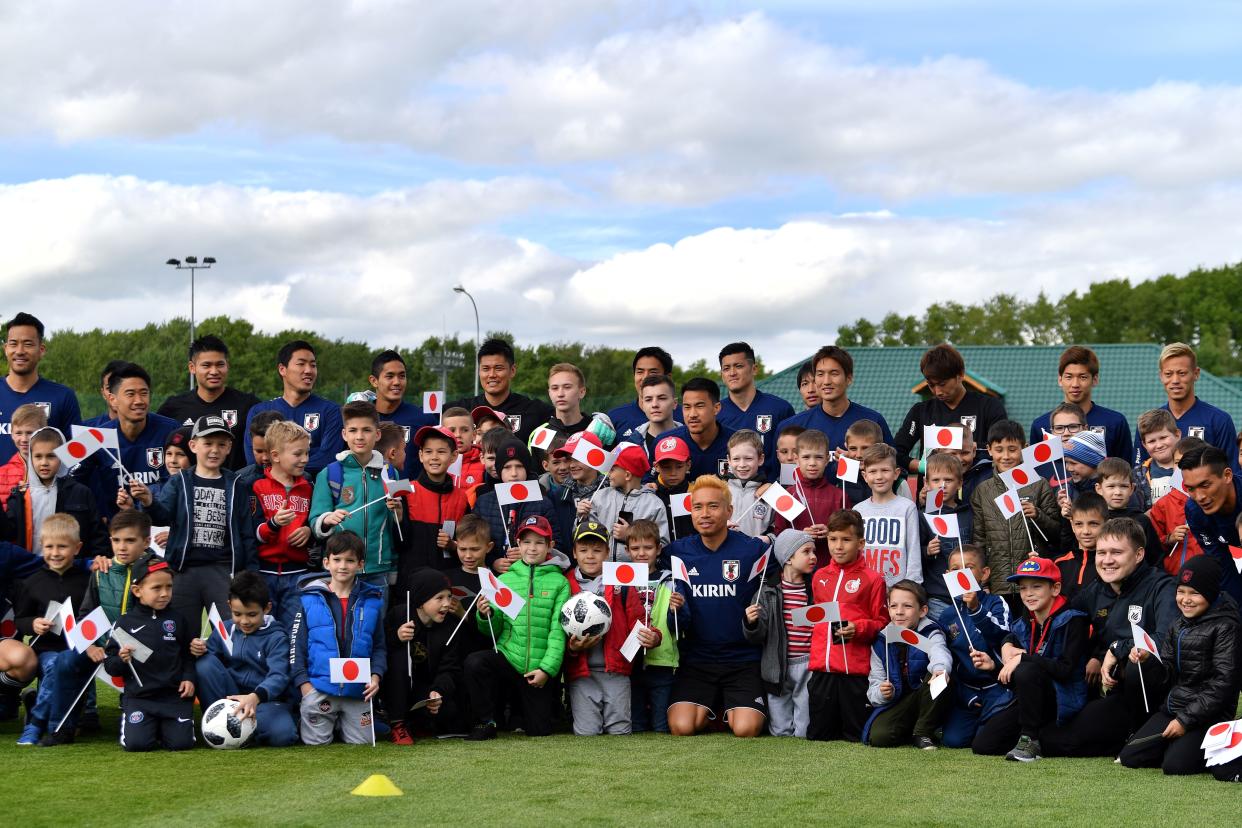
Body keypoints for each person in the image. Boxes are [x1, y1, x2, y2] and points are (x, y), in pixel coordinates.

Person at [1039, 518, 1176, 757]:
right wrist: (1009, 641)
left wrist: (1117, 649)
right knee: (1054, 740)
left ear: (1139, 554)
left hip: (1159, 694)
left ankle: (1138, 733)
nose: (1107, 560)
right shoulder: (1095, 591)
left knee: (1139, 661)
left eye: (1117, 552)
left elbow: (1164, 641)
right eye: (1101, 552)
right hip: (1114, 690)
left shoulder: (1162, 586)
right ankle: (1120, 739)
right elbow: (1060, 618)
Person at [666, 476, 769, 738]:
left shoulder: (753, 550)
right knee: (681, 727)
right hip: (697, 659)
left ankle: (731, 709)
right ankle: (716, 708)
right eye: (697, 507)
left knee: (746, 729)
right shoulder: (678, 551)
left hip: (742, 660)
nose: (704, 514)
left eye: (713, 506)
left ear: (729, 511)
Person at [128, 415, 258, 624]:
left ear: (229, 448)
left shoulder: (236, 484)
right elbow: (162, 516)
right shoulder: (179, 481)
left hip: (223, 569)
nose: (214, 450)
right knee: (180, 629)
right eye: (208, 443)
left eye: (221, 444)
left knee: (229, 630)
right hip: (183, 569)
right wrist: (149, 500)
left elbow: (246, 533)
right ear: (193, 445)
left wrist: (251, 574)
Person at [1119, 555, 1239, 776]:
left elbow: (1223, 685)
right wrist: (1148, 661)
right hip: (1174, 707)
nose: (1185, 599)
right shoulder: (1177, 624)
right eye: (1181, 591)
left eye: (1194, 592)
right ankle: (1182, 746)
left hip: (1210, 715)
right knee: (1130, 757)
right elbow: (1167, 673)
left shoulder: (1226, 626)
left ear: (1211, 593)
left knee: (1175, 765)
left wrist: (1184, 721)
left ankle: (1214, 745)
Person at [40, 510, 150, 745]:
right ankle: (61, 728)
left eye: (130, 541)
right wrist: (89, 645)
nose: (122, 547)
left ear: (146, 542)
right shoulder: (102, 572)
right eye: (116, 540)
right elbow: (85, 615)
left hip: (140, 652)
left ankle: (143, 716)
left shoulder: (157, 573)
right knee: (65, 661)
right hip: (101, 648)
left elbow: (160, 619)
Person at [969, 557, 1089, 761]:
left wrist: (1024, 658)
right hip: (1029, 701)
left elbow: (1064, 670)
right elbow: (1016, 680)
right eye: (1023, 588)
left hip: (1062, 699)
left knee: (1026, 669)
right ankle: (1035, 736)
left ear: (1055, 588)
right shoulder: (1025, 622)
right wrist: (994, 666)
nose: (1029, 593)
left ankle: (1030, 740)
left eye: (1036, 586)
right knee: (983, 744)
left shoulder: (1074, 619)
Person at [464, 515, 570, 740]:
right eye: (527, 542)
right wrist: (486, 615)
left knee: (539, 731)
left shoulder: (560, 583)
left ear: (550, 546)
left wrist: (546, 670)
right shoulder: (504, 579)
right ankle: (487, 721)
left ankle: (534, 711)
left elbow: (557, 631)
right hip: (509, 657)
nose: (532, 548)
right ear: (518, 545)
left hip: (538, 668)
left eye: (539, 542)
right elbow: (494, 630)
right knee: (476, 662)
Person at [291, 531, 385, 746]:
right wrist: (305, 686)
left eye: (350, 560)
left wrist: (375, 677)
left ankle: (355, 722)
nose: (343, 566)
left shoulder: (373, 601)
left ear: (360, 564)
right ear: (326, 562)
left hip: (357, 690)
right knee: (316, 746)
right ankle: (316, 718)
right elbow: (296, 647)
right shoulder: (308, 599)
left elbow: (379, 646)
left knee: (361, 744)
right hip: (319, 688)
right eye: (337, 559)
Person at [191, 570, 298, 747]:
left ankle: (243, 729)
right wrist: (198, 649)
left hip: (263, 701)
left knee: (283, 735)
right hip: (230, 696)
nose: (244, 621)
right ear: (229, 606)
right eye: (237, 614)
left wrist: (255, 697)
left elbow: (279, 676)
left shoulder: (277, 637)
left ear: (267, 608)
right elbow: (211, 663)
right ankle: (218, 723)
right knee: (204, 664)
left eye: (252, 614)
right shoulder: (224, 630)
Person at [806, 509, 887, 742]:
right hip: (822, 668)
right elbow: (816, 617)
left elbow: (882, 622)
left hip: (855, 671)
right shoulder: (819, 576)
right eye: (833, 539)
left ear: (860, 543)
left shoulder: (873, 579)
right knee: (819, 736)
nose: (838, 546)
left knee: (856, 737)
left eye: (846, 540)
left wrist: (858, 628)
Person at [104, 556, 197, 752]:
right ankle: (148, 727)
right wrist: (122, 659)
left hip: (174, 697)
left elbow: (188, 655)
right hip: (140, 698)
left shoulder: (178, 619)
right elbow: (110, 666)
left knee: (181, 744)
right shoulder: (124, 623)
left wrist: (189, 678)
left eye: (169, 587)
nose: (164, 594)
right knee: (137, 744)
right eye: (157, 588)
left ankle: (164, 728)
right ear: (137, 591)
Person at [563, 520, 647, 736]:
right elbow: (555, 628)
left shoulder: (621, 582)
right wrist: (571, 649)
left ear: (608, 552)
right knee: (586, 733)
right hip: (581, 673)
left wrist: (652, 636)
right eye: (583, 550)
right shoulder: (565, 584)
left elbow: (640, 621)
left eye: (597, 550)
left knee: (619, 730)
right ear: (574, 552)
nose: (590, 555)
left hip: (616, 671)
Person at [12, 514, 89, 745]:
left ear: (77, 548)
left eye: (62, 547)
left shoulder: (88, 580)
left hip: (80, 649)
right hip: (47, 649)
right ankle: (35, 725)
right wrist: (33, 623)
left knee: (69, 670)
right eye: (49, 546)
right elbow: (21, 619)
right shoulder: (32, 582)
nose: (55, 553)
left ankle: (55, 720)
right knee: (55, 666)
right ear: (41, 546)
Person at [310, 401, 403, 590]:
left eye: (366, 430)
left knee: (374, 620)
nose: (359, 436)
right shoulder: (329, 474)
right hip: (341, 571)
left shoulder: (391, 474)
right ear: (344, 434)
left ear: (377, 434)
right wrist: (328, 519)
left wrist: (398, 514)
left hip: (379, 570)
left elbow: (397, 527)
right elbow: (315, 522)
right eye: (353, 430)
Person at [71, 362, 179, 522]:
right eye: (130, 394)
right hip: (115, 532)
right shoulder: (93, 437)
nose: (139, 401)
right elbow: (66, 478)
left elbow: (183, 483)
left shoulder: (172, 430)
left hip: (162, 529)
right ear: (112, 399)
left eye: (144, 393)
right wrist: (93, 518)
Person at [970, 420, 1060, 602]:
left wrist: (1038, 515)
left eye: (1012, 449)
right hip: (997, 581)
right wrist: (983, 582)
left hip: (1032, 579)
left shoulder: (1039, 484)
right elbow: (979, 540)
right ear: (989, 450)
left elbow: (1057, 533)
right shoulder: (983, 490)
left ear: (1024, 448)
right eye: (999, 449)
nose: (1006, 456)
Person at [936, 546, 1013, 749]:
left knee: (987, 739)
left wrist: (976, 609)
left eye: (968, 568)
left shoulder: (997, 603)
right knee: (953, 741)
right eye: (955, 569)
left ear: (984, 573)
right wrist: (966, 696)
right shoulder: (947, 616)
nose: (961, 574)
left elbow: (1003, 634)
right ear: (947, 576)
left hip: (998, 688)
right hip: (968, 692)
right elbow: (949, 661)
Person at [743, 528, 816, 737]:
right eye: (806, 552)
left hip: (809, 662)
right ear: (789, 558)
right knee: (780, 729)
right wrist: (751, 622)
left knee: (804, 729)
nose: (813, 557)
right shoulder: (766, 592)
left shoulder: (814, 589)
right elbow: (757, 636)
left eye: (814, 551)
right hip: (776, 664)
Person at [863, 580, 952, 749]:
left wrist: (940, 669)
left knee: (940, 678)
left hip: (928, 695)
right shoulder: (882, 640)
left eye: (908, 606)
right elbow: (873, 688)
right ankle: (914, 729)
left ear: (923, 611)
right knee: (880, 737)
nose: (899, 612)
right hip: (901, 703)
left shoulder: (930, 632)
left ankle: (923, 733)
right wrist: (882, 693)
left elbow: (940, 652)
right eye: (893, 606)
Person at [894, 343, 1007, 476]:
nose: (938, 391)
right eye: (931, 385)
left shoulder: (990, 406)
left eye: (942, 384)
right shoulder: (920, 411)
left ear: (960, 375)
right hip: (933, 494)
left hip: (979, 490)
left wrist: (970, 447)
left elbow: (1002, 449)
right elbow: (895, 452)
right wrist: (924, 467)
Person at [383, 568, 465, 744]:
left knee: (448, 710)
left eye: (449, 596)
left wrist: (438, 691)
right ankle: (397, 723)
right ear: (421, 601)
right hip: (395, 687)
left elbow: (450, 668)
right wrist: (396, 637)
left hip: (425, 688)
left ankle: (420, 722)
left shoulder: (451, 626)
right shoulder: (399, 615)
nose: (447, 603)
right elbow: (380, 648)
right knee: (399, 656)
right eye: (439, 598)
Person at [157, 335, 260, 471]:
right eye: (206, 365)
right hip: (189, 490)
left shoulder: (248, 405)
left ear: (227, 365)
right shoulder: (173, 407)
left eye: (220, 364)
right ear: (192, 367)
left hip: (235, 488)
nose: (214, 371)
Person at [249, 420, 314, 634]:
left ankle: (293, 669)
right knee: (264, 631)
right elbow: (253, 533)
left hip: (298, 575)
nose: (304, 459)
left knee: (296, 632)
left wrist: (308, 531)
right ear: (275, 456)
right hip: (264, 573)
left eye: (306, 453)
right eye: (298, 454)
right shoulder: (256, 487)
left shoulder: (309, 487)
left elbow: (314, 522)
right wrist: (274, 524)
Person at [243, 340, 344, 476]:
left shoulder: (331, 411)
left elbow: (327, 458)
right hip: (267, 494)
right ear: (282, 369)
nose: (308, 370)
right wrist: (309, 452)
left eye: (313, 365)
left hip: (313, 492)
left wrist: (281, 463)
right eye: (301, 364)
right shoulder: (259, 411)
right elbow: (253, 458)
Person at [4, 427, 108, 557]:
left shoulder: (81, 493)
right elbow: (7, 534)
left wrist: (98, 560)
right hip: (30, 572)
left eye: (51, 456)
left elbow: (98, 535)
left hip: (73, 570)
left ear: (62, 457)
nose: (44, 463)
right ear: (30, 458)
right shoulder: (19, 496)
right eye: (38, 456)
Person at [1136, 343, 1239, 471]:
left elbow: (1232, 473)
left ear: (1196, 374)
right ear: (1161, 376)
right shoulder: (1149, 423)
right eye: (1168, 374)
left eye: (1182, 373)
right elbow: (1138, 472)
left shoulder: (1219, 420)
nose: (1175, 380)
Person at [777, 345, 893, 456]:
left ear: (849, 378)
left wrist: (857, 464)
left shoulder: (874, 421)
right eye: (820, 374)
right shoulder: (791, 427)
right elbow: (776, 474)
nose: (826, 381)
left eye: (834, 373)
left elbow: (893, 469)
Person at [0, 313, 81, 465]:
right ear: (6, 349)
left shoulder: (63, 396)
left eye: (28, 344)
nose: (19, 350)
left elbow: (76, 455)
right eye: (13, 343)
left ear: (41, 349)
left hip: (46, 489)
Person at [625, 518, 682, 733]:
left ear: (659, 549)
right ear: (627, 550)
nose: (642, 553)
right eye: (635, 548)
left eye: (648, 547)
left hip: (662, 662)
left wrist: (678, 608)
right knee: (636, 724)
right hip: (630, 661)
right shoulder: (621, 581)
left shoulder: (671, 581)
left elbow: (680, 622)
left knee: (661, 725)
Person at [1030, 346, 1132, 462]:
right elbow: (1036, 471)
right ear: (1060, 380)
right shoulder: (1040, 426)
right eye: (1069, 377)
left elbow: (1126, 469)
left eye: (1082, 377)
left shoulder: (1115, 422)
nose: (1075, 384)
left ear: (1095, 379)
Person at [471, 438, 558, 571]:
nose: (513, 473)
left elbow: (557, 545)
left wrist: (528, 553)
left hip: (531, 576)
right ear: (499, 470)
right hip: (495, 577)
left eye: (519, 466)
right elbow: (474, 542)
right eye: (507, 467)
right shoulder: (483, 502)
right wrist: (492, 561)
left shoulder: (543, 503)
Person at [447, 338, 553, 445]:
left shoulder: (535, 412)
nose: (492, 375)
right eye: (486, 369)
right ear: (479, 371)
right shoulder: (461, 411)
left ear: (512, 371)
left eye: (498, 368)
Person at [395, 425, 469, 575]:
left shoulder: (461, 497)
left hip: (448, 580)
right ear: (421, 455)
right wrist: (399, 519)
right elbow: (398, 543)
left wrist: (453, 545)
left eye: (441, 452)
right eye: (428, 452)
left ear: (454, 456)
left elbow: (468, 542)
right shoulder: (403, 489)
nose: (434, 457)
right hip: (412, 580)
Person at [717, 342, 794, 482]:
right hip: (729, 497)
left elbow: (792, 456)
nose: (732, 373)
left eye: (738, 366)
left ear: (754, 369)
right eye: (726, 368)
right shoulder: (716, 413)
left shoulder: (780, 409)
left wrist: (785, 487)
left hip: (772, 494)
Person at [1179, 445, 1242, 610]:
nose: (1199, 497)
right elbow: (1222, 563)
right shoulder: (1194, 511)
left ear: (1227, 475)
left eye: (1205, 485)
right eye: (1191, 489)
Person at [854, 443, 921, 586]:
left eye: (885, 470)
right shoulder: (858, 510)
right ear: (865, 476)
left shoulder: (907, 508)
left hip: (898, 589)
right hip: (865, 587)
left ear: (896, 473)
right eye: (873, 472)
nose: (879, 476)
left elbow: (913, 549)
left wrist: (911, 586)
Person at [772, 429, 844, 560]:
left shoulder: (839, 496)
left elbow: (847, 534)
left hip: (830, 567)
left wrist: (830, 533)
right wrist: (799, 536)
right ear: (796, 459)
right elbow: (779, 534)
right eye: (806, 457)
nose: (812, 463)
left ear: (827, 459)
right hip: (796, 569)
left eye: (818, 457)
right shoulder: (787, 495)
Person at [590, 443, 669, 561]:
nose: (608, 474)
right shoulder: (600, 496)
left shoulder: (654, 504)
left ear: (627, 475)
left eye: (612, 469)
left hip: (638, 572)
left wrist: (630, 535)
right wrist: (581, 516)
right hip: (601, 571)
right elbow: (586, 534)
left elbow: (662, 542)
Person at [367, 349, 437, 481]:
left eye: (402, 376)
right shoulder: (362, 420)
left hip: (411, 498)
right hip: (369, 498)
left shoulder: (423, 419)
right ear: (374, 381)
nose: (397, 382)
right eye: (390, 376)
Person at [919, 452, 972, 616]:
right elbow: (912, 552)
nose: (942, 485)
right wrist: (926, 551)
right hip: (937, 596)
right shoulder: (922, 515)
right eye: (936, 480)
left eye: (948, 480)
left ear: (960, 482)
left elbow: (978, 547)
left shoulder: (969, 513)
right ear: (926, 483)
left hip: (968, 593)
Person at [1148, 436, 1207, 576]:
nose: (1182, 468)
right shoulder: (1163, 504)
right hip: (1173, 577)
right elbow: (1152, 545)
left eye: (1190, 463)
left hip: (1208, 577)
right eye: (1177, 463)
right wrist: (1169, 539)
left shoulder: (1213, 502)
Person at [1094, 457, 1163, 566]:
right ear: (1099, 489)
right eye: (1111, 486)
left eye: (1124, 486)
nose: (1118, 492)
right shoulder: (1094, 520)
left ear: (1132, 489)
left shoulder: (1141, 521)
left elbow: (1155, 559)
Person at [664, 378, 734, 481]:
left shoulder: (738, 443)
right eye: (687, 407)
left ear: (716, 408)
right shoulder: (666, 443)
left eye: (700, 406)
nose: (692, 414)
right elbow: (649, 484)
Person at [608, 346, 677, 440]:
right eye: (640, 372)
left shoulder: (686, 418)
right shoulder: (614, 418)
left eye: (653, 372)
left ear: (668, 377)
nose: (645, 378)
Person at [1052, 492, 1107, 600]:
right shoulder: (1058, 564)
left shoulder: (1111, 564)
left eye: (1093, 524)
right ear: (1072, 525)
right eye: (1079, 524)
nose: (1086, 531)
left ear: (1107, 525)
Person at [725, 430, 774, 539]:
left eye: (748, 458)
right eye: (736, 459)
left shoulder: (771, 493)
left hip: (758, 553)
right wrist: (719, 527)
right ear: (729, 460)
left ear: (760, 459)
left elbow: (781, 528)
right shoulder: (720, 491)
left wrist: (769, 539)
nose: (742, 465)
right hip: (724, 552)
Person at [1133, 408, 1181, 510]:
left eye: (1163, 438)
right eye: (1151, 441)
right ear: (1144, 445)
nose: (1158, 445)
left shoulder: (1191, 468)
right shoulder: (1137, 475)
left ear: (1177, 435)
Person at [0, 404, 46, 507]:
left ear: (43, 432)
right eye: (18, 433)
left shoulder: (56, 471)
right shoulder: (1, 474)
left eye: (30, 433)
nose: (24, 439)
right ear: (11, 434)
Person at [626, 374, 682, 460]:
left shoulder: (691, 440)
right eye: (648, 400)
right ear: (643, 405)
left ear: (675, 403)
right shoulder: (630, 446)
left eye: (662, 398)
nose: (654, 404)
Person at [651, 435, 695, 541]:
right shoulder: (650, 494)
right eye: (666, 467)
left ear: (688, 465)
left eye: (679, 466)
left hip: (691, 554)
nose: (673, 473)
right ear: (656, 466)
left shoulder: (696, 493)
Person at [441, 406, 484, 493]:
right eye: (452, 430)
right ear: (442, 434)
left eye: (464, 430)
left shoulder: (485, 462)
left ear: (474, 434)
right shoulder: (436, 462)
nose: (458, 435)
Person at [545, 363, 592, 438]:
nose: (560, 394)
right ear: (549, 393)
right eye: (555, 388)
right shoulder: (541, 434)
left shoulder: (598, 430)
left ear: (582, 392)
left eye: (567, 387)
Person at [82, 360, 127, 428]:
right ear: (103, 393)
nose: (115, 393)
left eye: (121, 387)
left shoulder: (148, 427)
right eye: (109, 388)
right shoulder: (87, 429)